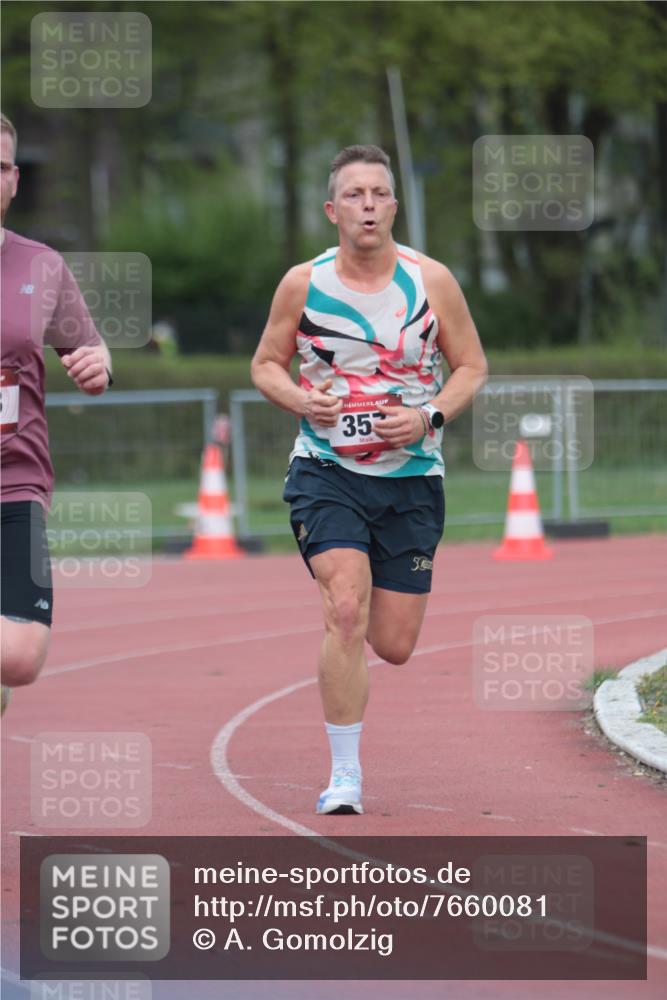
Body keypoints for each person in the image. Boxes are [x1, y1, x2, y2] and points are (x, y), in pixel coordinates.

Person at [251, 144, 488, 815]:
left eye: (378, 193)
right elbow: (266, 363)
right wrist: (301, 401)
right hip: (325, 472)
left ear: (394, 205)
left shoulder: (431, 280)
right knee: (345, 608)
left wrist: (428, 415)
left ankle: (354, 672)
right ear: (332, 210)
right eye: (353, 195)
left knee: (394, 643)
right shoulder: (303, 283)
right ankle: (344, 775)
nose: (366, 206)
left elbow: (471, 366)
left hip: (411, 480)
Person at [1, 112, 112, 714]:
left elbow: (89, 348)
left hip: (14, 482)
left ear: (14, 180)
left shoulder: (41, 265)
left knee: (19, 659)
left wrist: (99, 364)